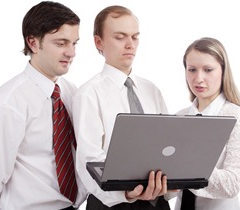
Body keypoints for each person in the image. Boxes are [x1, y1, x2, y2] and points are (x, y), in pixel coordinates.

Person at [72, 5, 174, 210]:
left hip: (157, 203)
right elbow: (89, 161)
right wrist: (125, 193)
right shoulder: (89, 93)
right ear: (98, 42)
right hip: (114, 203)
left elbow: (169, 145)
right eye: (120, 37)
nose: (130, 45)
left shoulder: (151, 90)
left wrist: (171, 184)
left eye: (135, 37)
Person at [0, 1, 86, 209]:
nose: (71, 53)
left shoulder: (71, 92)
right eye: (61, 43)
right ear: (33, 43)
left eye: (74, 43)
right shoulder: (6, 104)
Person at [174, 37, 240, 210]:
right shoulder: (179, 118)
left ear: (223, 71)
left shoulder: (238, 117)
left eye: (208, 70)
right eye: (192, 70)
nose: (199, 78)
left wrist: (184, 166)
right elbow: (170, 187)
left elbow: (232, 184)